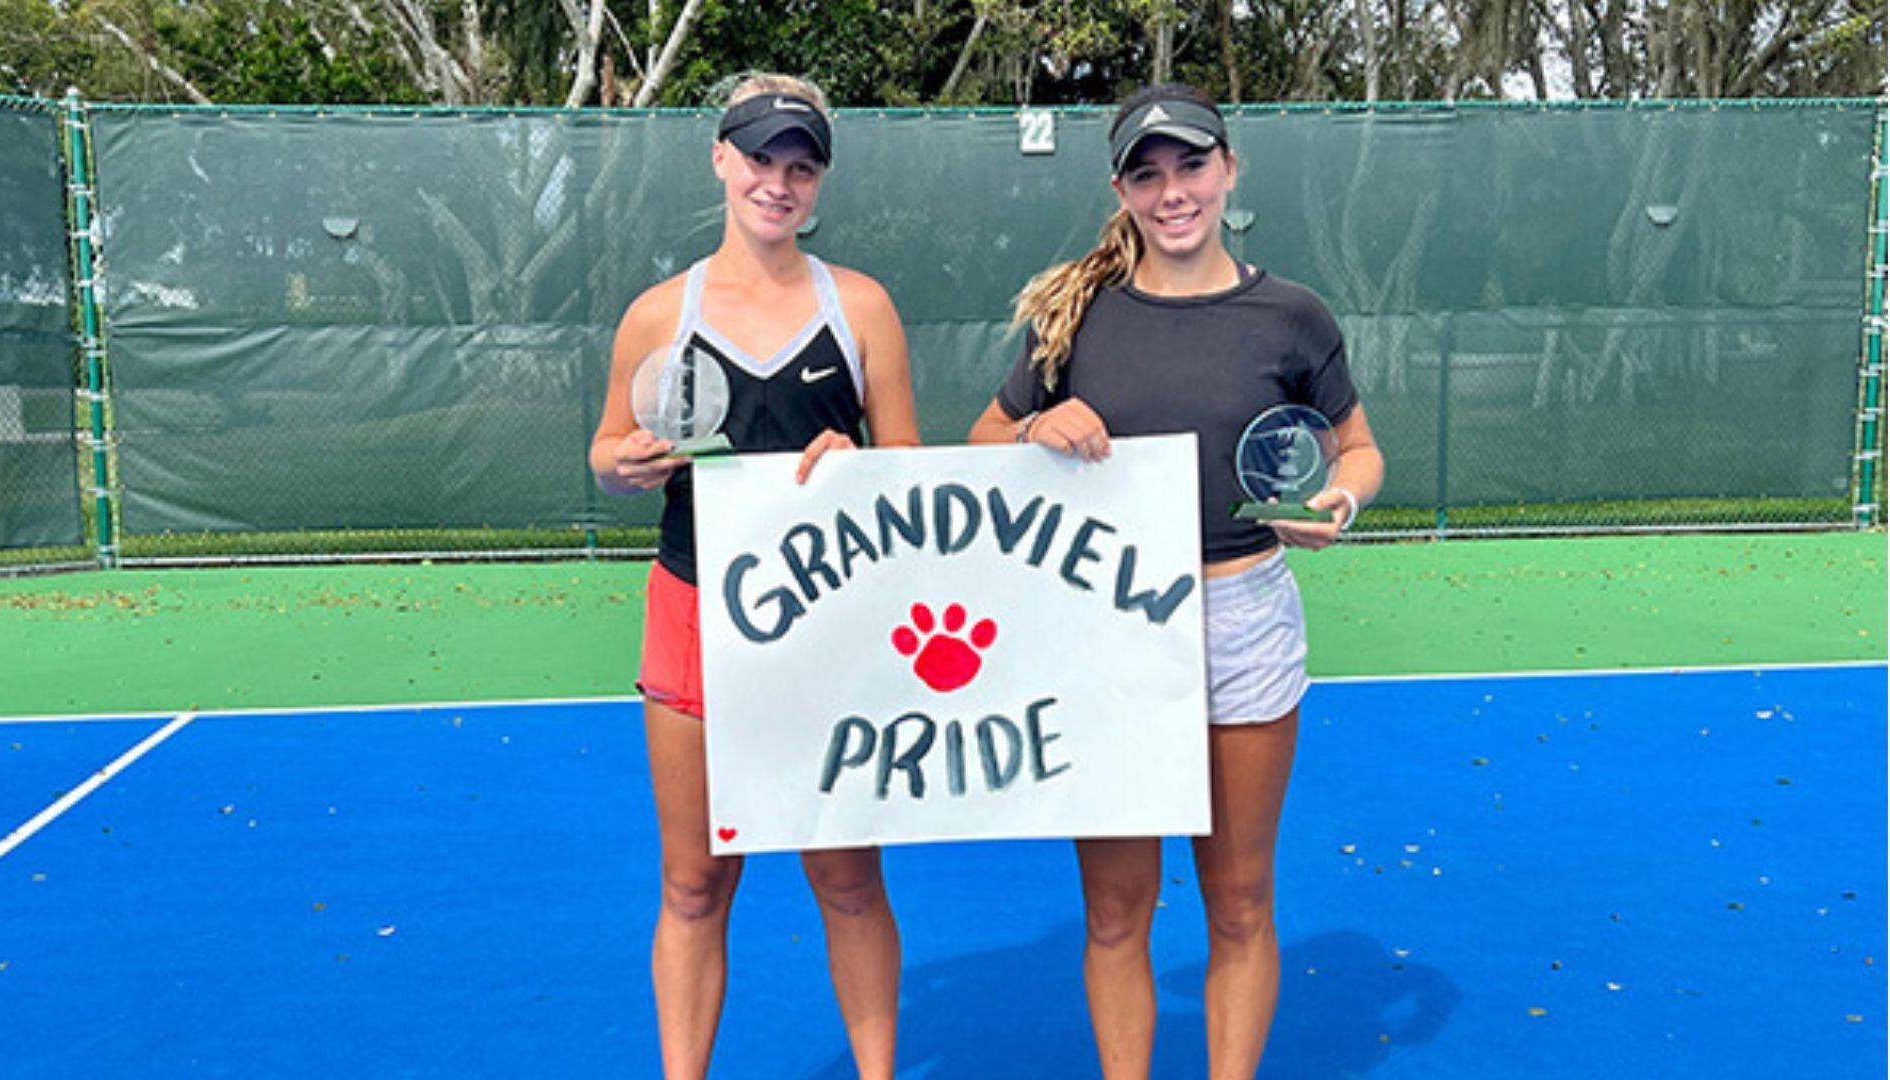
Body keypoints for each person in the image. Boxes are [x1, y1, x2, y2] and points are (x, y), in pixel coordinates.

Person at [970, 83, 1385, 1080]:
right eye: (1147, 175)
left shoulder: (1292, 316)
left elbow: (1359, 449)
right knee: (1115, 911)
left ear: (1229, 170)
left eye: (1191, 166)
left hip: (1244, 615)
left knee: (1238, 902)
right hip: (1102, 625)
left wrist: (1340, 503)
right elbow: (985, 440)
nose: (1173, 193)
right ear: (1121, 189)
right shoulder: (1074, 319)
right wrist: (1033, 426)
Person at [589, 73, 920, 1080]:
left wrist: (864, 472)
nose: (778, 183)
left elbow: (908, 466)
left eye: (801, 166)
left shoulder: (859, 307)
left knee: (847, 874)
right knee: (694, 883)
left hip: (831, 623)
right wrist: (625, 464)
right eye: (761, 158)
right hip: (693, 609)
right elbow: (607, 453)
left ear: (816, 183)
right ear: (720, 158)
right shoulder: (659, 314)